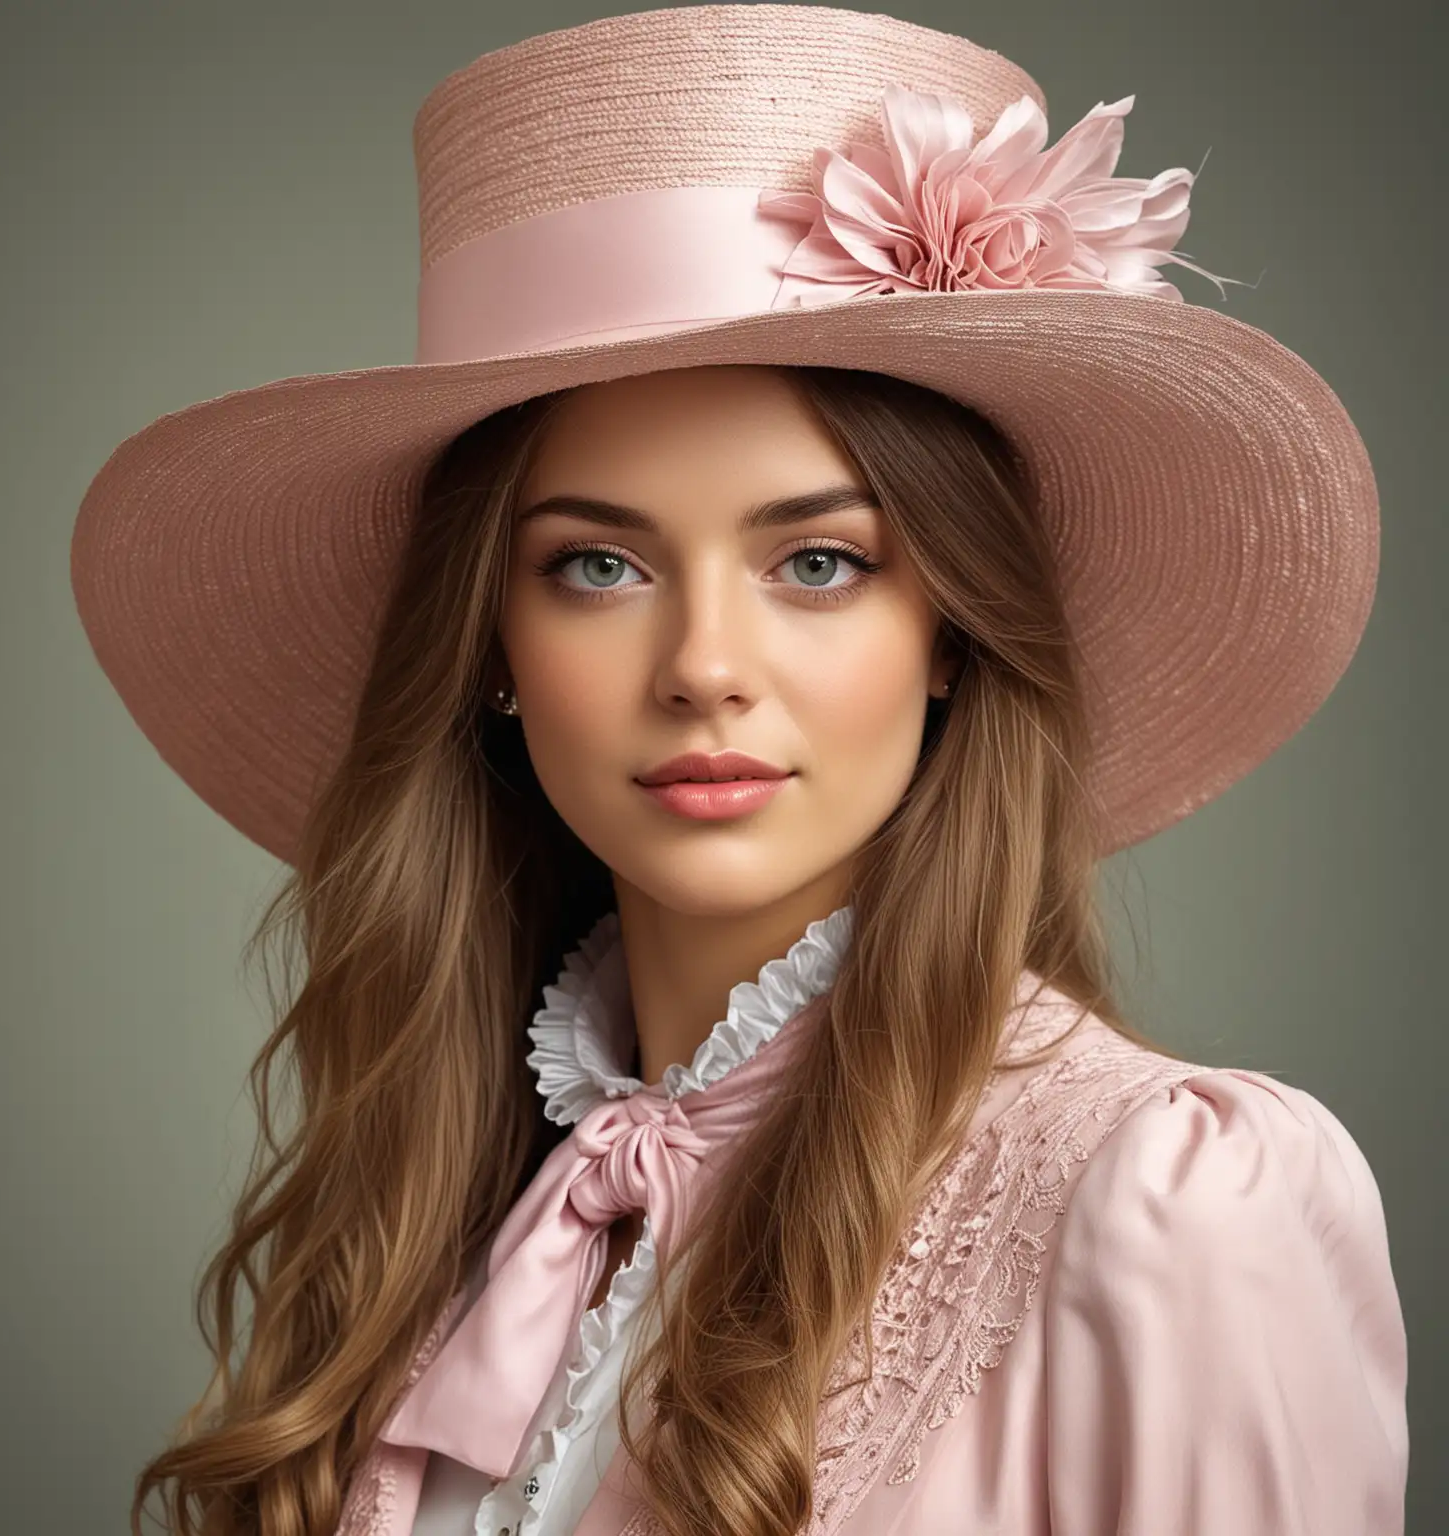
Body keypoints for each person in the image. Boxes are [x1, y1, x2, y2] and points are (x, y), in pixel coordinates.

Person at [70, 7, 1409, 1535]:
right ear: (491, 641)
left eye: (820, 561)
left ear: (953, 630)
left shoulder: (1169, 1204)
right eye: (595, 566)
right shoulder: (447, 1220)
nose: (704, 663)